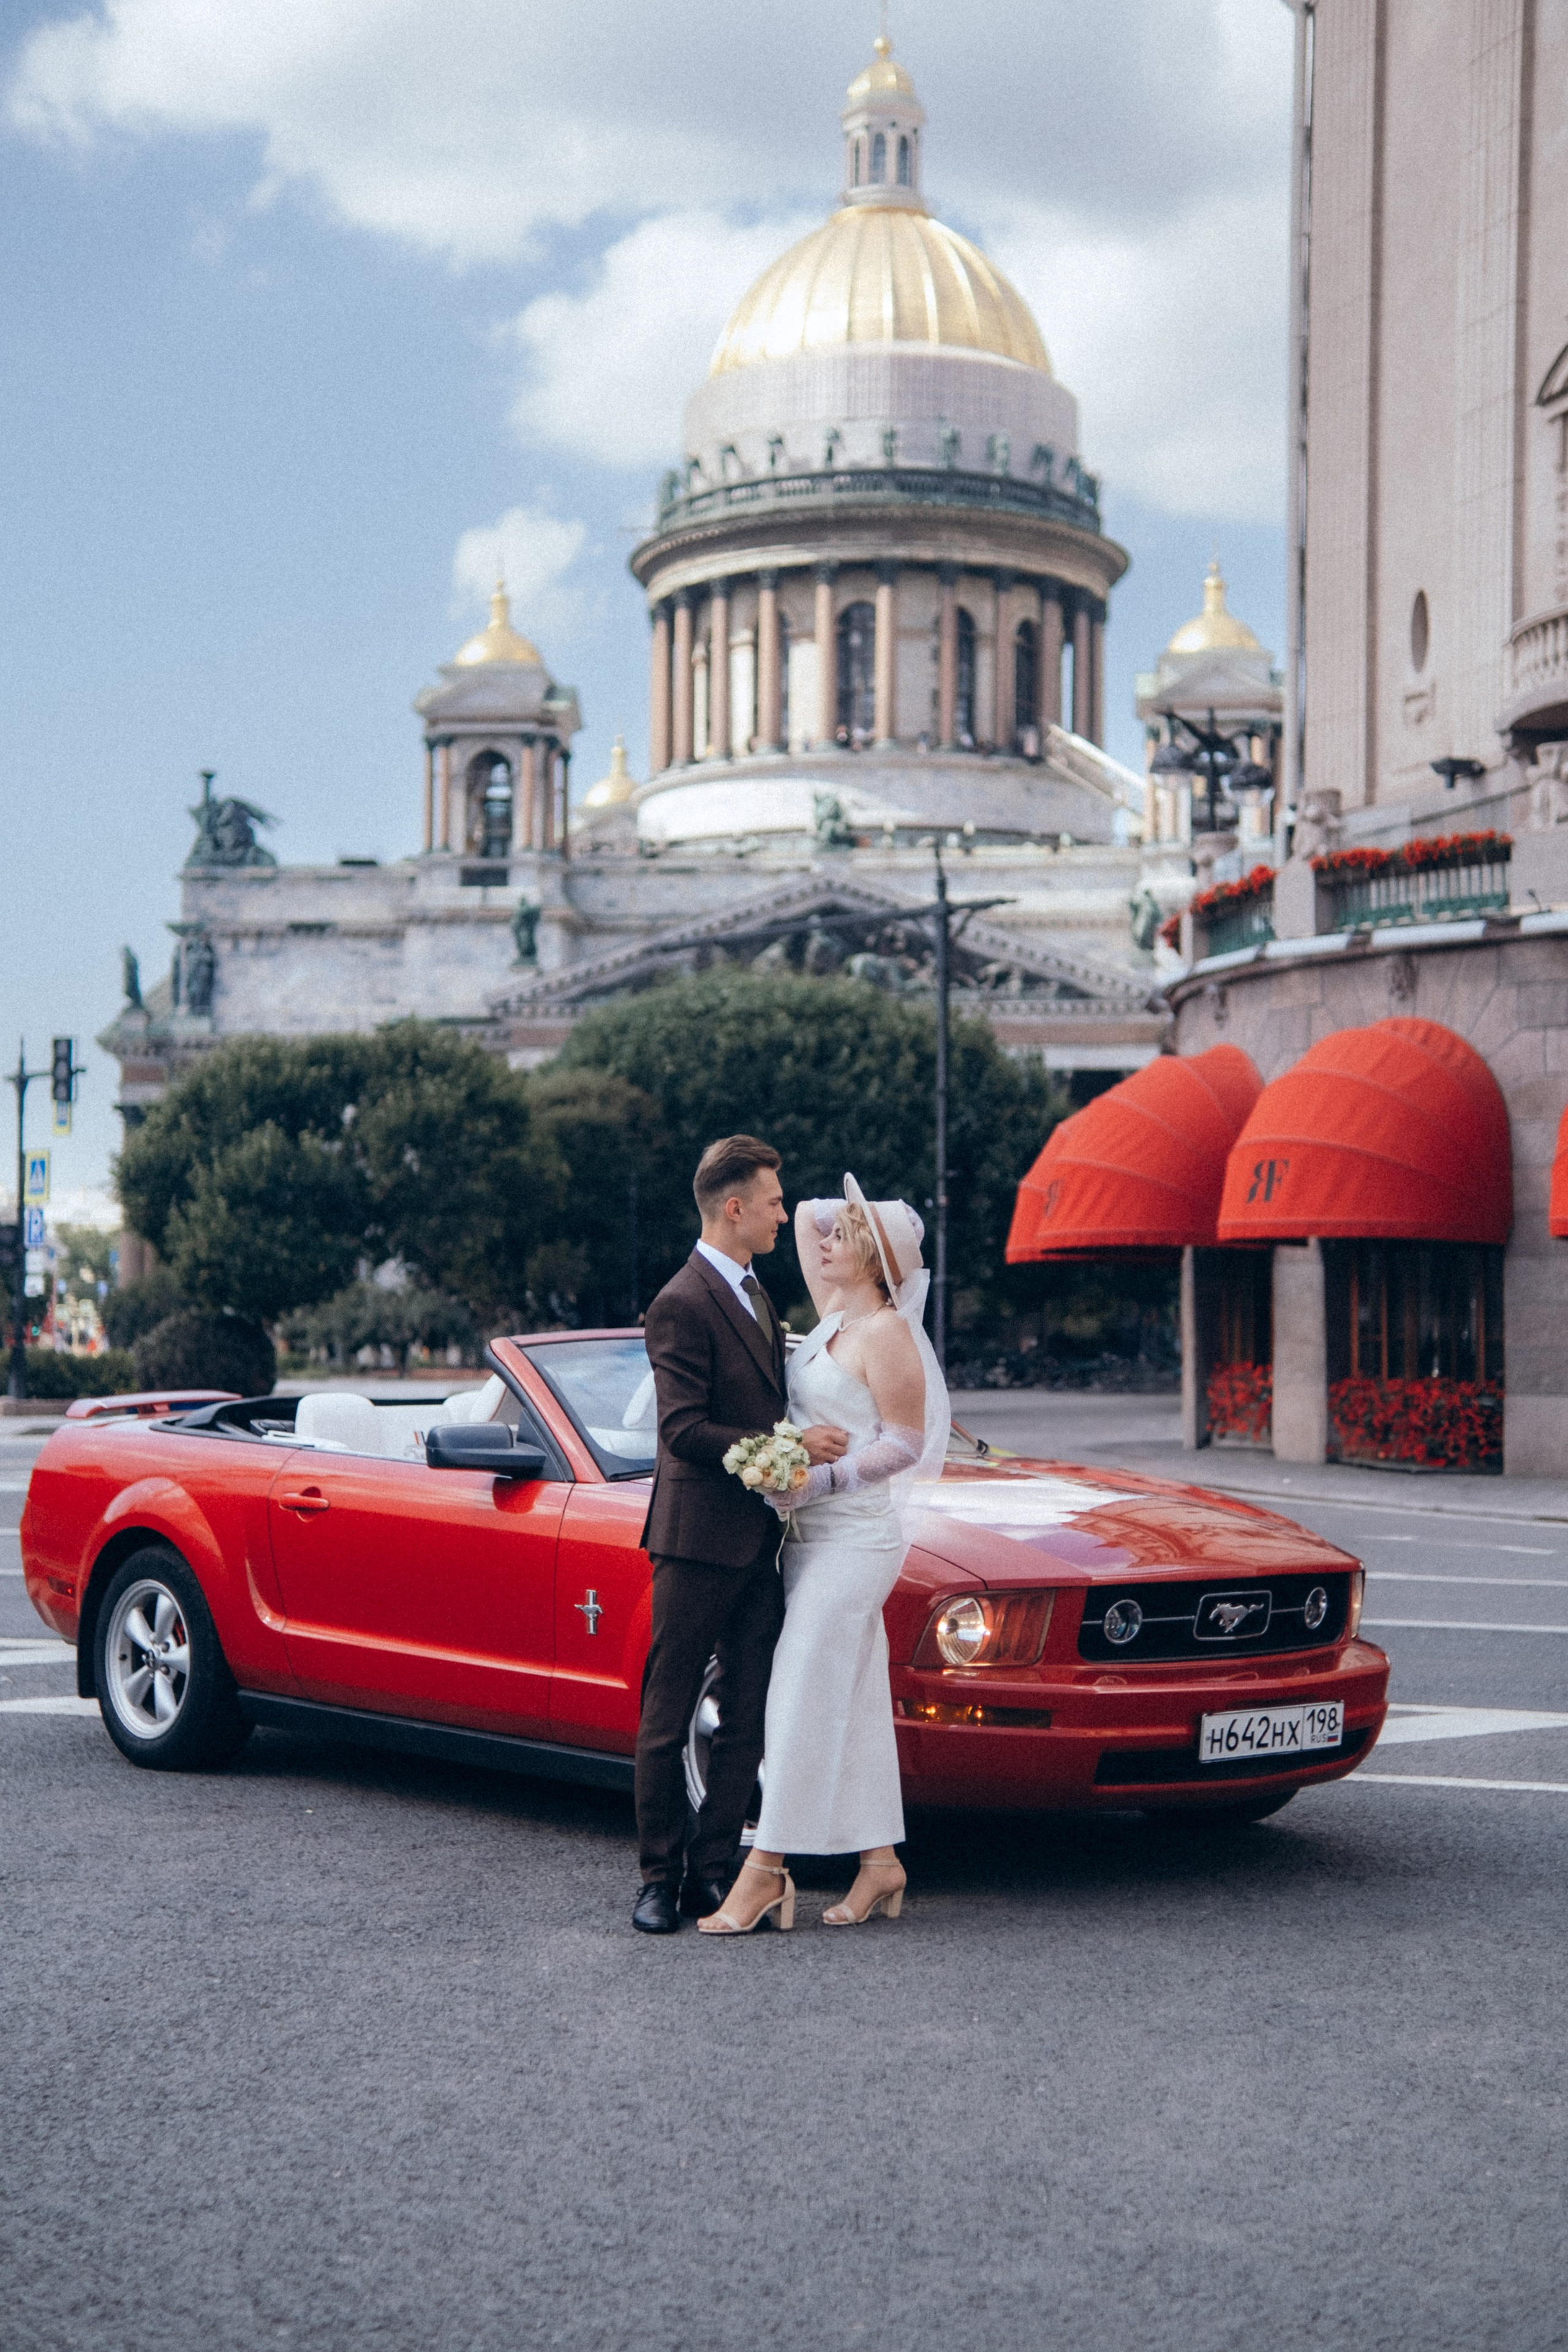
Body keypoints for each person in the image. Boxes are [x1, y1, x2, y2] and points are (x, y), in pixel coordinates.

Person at [699, 1176, 950, 1936]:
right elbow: (809, 1220)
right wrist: (785, 1470)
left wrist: (824, 1480)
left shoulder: (887, 1334)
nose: (822, 1243)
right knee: (856, 1702)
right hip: (806, 1541)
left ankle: (767, 1868)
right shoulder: (832, 1319)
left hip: (857, 1540)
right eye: (829, 1235)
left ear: (872, 1254)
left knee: (798, 1693)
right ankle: (880, 1861)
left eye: (843, 1237)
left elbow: (905, 1443)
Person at [631, 1137, 850, 1936]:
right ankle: (656, 1878)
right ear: (733, 1208)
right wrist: (791, 1452)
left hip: (759, 1540)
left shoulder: (760, 1297)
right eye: (772, 1201)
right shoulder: (680, 1302)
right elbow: (684, 1431)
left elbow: (762, 1409)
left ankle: (711, 1873)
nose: (783, 1214)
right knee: (665, 1718)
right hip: (693, 1541)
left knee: (748, 1715)